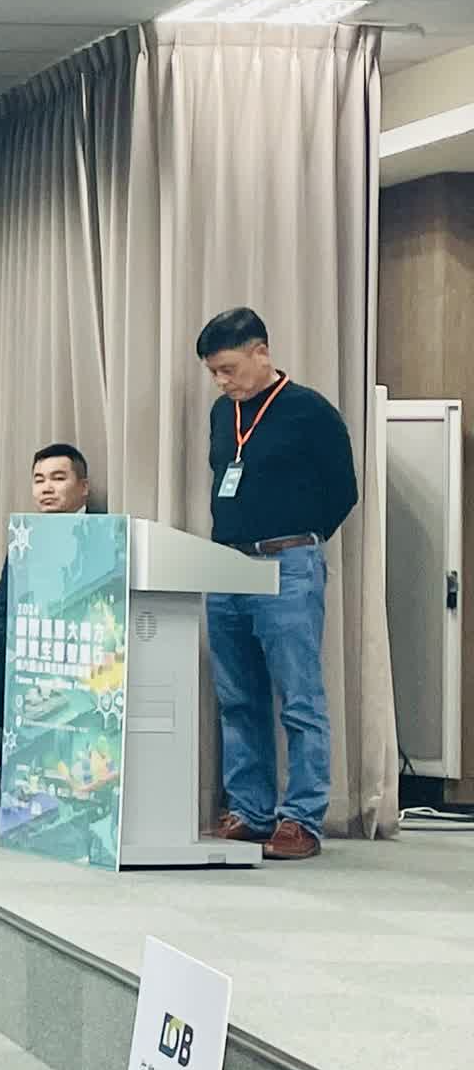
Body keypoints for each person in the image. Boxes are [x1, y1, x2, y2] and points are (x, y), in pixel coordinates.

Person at [197, 307, 356, 862]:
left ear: (261, 352)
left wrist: (299, 539)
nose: (222, 381)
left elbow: (343, 490)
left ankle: (302, 818)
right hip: (226, 565)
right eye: (214, 373)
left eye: (228, 368)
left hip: (288, 563)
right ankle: (251, 809)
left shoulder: (310, 410)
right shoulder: (223, 414)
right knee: (238, 696)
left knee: (299, 697)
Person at [0, 444, 89, 822]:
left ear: (83, 487)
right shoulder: (26, 537)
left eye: (58, 478)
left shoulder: (101, 538)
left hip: (75, 667)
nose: (46, 488)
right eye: (39, 480)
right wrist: (16, 655)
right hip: (21, 660)